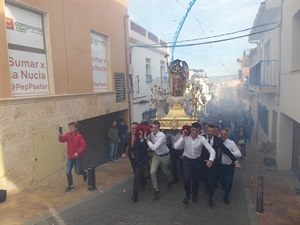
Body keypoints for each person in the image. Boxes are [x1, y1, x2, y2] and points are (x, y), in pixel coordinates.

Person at [174, 122, 215, 205]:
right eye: (193, 130)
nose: (194, 132)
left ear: (199, 131)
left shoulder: (202, 139)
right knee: (186, 179)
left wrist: (210, 160)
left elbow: (212, 150)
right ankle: (187, 195)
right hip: (187, 161)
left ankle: (194, 196)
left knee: (195, 180)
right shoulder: (185, 137)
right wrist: (182, 136)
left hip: (197, 161)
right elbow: (176, 146)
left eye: (197, 131)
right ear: (190, 129)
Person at [201, 125, 241, 207]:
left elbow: (227, 151)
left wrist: (235, 161)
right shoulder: (202, 138)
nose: (210, 133)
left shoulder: (217, 140)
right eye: (209, 131)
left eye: (212, 131)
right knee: (205, 178)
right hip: (203, 162)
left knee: (212, 181)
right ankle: (206, 188)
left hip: (214, 164)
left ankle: (210, 199)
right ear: (206, 130)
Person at [145, 120, 173, 200]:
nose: (154, 129)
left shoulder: (162, 136)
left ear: (159, 128)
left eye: (155, 128)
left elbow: (154, 147)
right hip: (156, 155)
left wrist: (147, 140)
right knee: (152, 172)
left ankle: (170, 180)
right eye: (152, 127)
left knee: (165, 171)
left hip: (165, 156)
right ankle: (156, 189)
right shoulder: (151, 134)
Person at [58, 122, 87, 193]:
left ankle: (85, 173)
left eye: (72, 128)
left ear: (75, 128)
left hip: (78, 157)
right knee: (68, 172)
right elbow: (62, 140)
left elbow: (83, 145)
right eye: (69, 128)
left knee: (77, 172)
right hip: (70, 157)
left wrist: (77, 152)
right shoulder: (68, 135)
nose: (70, 129)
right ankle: (71, 186)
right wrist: (60, 136)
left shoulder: (79, 136)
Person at [127, 125, 149, 202]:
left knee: (137, 176)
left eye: (134, 128)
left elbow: (146, 147)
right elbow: (125, 144)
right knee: (138, 174)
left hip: (140, 160)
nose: (133, 130)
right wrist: (123, 152)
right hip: (132, 159)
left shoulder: (140, 137)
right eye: (132, 128)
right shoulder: (128, 135)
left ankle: (134, 195)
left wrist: (141, 138)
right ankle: (143, 183)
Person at [219, 128, 242, 204]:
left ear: (227, 135)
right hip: (220, 166)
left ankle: (226, 197)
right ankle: (223, 185)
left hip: (229, 166)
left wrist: (228, 152)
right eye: (221, 134)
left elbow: (239, 154)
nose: (223, 136)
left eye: (224, 134)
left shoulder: (231, 143)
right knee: (222, 181)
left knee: (229, 181)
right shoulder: (217, 141)